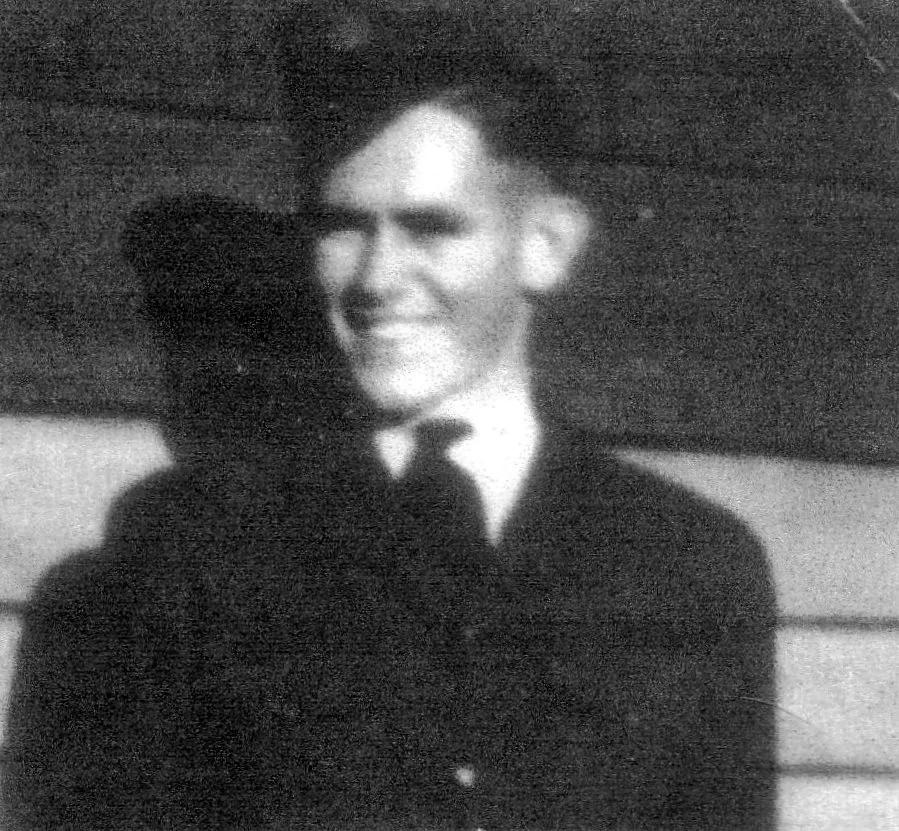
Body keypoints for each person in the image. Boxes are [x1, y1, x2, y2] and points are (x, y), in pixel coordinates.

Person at [4, 6, 777, 830]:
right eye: (343, 228)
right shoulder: (184, 547)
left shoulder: (686, 563)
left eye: (430, 227)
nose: (375, 278)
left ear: (546, 244)